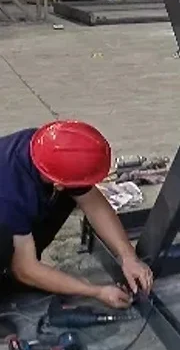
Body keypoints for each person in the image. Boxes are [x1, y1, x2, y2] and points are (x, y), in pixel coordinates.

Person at [0, 120, 153, 309]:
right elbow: (25, 269)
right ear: (58, 183)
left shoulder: (46, 148)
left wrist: (128, 256)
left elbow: (94, 204)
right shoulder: (10, 197)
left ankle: (20, 272)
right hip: (4, 211)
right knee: (9, 245)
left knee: (69, 193)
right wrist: (96, 291)